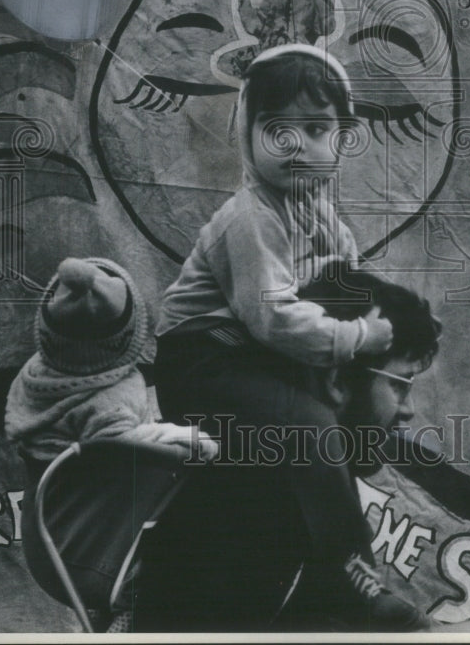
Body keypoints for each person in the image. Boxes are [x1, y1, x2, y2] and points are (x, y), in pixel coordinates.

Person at [152, 44, 424, 630]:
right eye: (277, 130)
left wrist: (367, 324)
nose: (298, 145)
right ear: (246, 135)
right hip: (204, 360)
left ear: (342, 138)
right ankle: (350, 571)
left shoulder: (327, 224)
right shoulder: (250, 217)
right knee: (308, 427)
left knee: (323, 420)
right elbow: (272, 317)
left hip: (257, 361)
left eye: (317, 128)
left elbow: (341, 290)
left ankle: (306, 559)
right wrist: (357, 338)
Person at [137, 260, 441, 632]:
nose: (408, 411)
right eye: (400, 384)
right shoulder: (257, 505)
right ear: (336, 379)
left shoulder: (274, 480)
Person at [5, 257, 217, 617]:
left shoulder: (35, 377)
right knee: (205, 498)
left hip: (47, 542)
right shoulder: (110, 404)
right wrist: (197, 440)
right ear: (128, 333)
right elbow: (134, 443)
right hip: (96, 556)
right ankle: (132, 620)